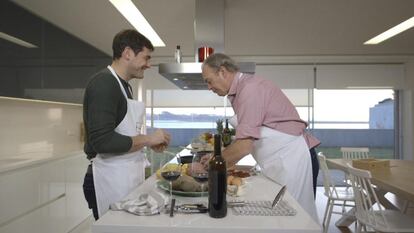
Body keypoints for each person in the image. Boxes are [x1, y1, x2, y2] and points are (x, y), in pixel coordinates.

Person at [202, 53, 319, 221]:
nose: (209, 87)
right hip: (281, 161)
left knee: (295, 219)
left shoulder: (250, 89)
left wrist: (210, 168)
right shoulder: (242, 90)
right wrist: (217, 156)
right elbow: (246, 137)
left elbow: (244, 145)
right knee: (282, 219)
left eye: (208, 80)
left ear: (222, 71)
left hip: (294, 160)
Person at [82, 29, 170, 220]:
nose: (148, 64)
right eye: (146, 58)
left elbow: (122, 133)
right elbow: (102, 141)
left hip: (122, 176)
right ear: (128, 53)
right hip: (108, 178)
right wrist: (148, 139)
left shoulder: (124, 86)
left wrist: (148, 143)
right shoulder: (104, 83)